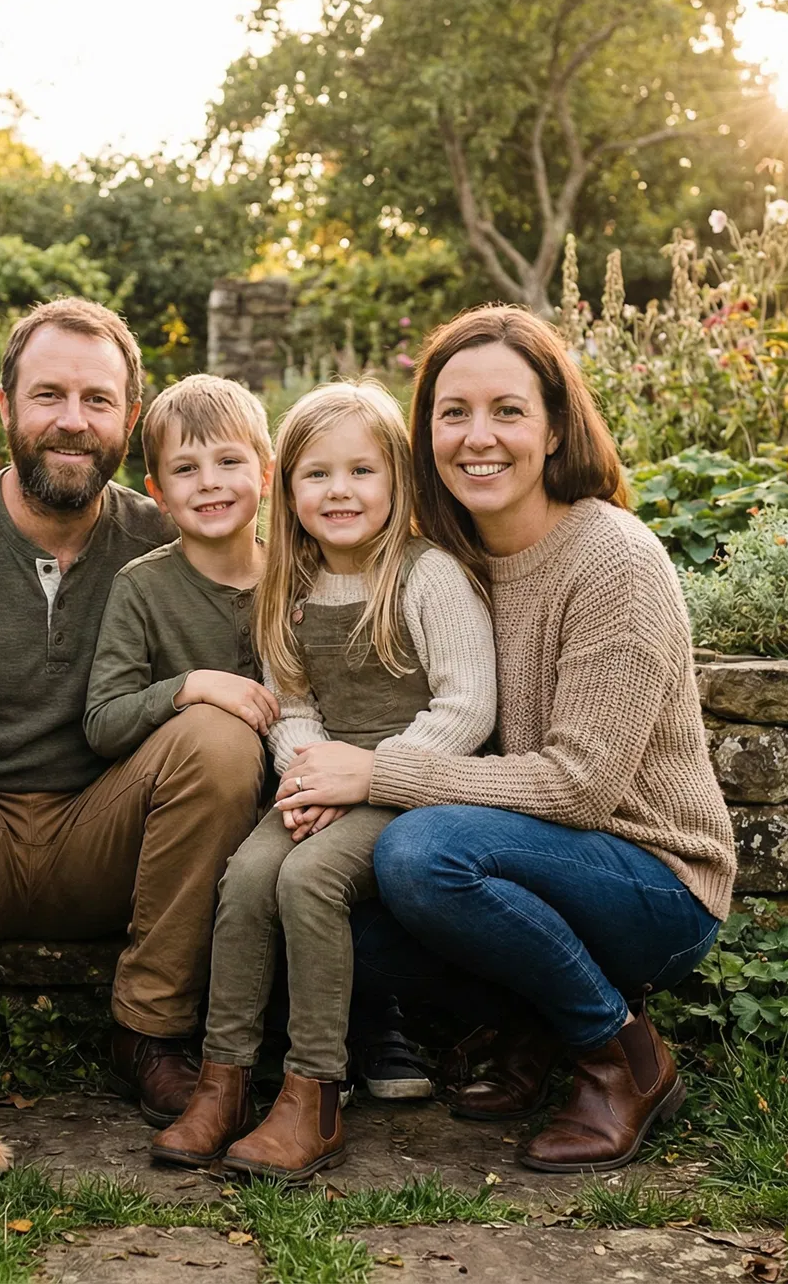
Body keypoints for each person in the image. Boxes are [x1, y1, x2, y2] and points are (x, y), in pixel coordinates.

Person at [273, 307, 735, 1174]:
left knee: (418, 851)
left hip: (651, 879)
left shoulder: (613, 561)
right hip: (529, 858)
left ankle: (622, 1058)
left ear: (556, 426)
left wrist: (375, 771)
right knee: (342, 918)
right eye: (453, 413)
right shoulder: (444, 558)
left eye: (508, 411)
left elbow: (580, 788)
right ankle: (535, 1027)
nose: (477, 438)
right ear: (426, 434)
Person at [0, 298, 267, 1128]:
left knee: (220, 742)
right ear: (4, 408)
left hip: (112, 840)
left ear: (132, 420)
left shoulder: (174, 540)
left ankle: (148, 1034)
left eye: (97, 400)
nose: (72, 423)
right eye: (48, 396)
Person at [150, 381, 496, 1180]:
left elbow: (469, 704)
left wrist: (371, 775)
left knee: (306, 880)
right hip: (323, 785)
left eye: (361, 472)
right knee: (247, 876)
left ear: (397, 482)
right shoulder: (291, 585)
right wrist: (306, 776)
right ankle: (224, 1081)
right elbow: (292, 704)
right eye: (317, 475)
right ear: (289, 487)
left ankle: (316, 1092)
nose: (338, 492)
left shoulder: (426, 575)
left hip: (413, 783)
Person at [84, 374, 278, 763]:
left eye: (228, 461)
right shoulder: (141, 588)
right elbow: (103, 724)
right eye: (186, 468)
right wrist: (191, 687)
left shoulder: (298, 576)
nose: (209, 482)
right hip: (192, 785)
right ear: (159, 494)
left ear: (265, 476)